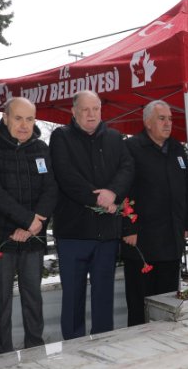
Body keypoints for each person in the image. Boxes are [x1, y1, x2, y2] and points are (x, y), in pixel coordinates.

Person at [49, 90, 134, 339]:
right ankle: (74, 351)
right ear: (73, 112)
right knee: (73, 297)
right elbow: (65, 175)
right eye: (85, 109)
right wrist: (98, 197)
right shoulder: (61, 137)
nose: (91, 114)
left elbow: (127, 168)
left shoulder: (115, 138)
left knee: (103, 297)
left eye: (95, 109)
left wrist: (113, 192)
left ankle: (103, 344)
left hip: (106, 234)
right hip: (74, 234)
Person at [0, 97, 57, 354]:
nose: (24, 125)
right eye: (18, 118)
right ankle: (3, 355)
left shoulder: (41, 148)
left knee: (33, 298)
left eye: (30, 119)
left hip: (33, 237)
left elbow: (52, 188)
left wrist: (36, 222)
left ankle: (36, 351)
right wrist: (26, 220)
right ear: (5, 117)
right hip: (2, 239)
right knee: (0, 303)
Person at [122, 100, 188, 326]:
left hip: (171, 239)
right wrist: (128, 228)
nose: (168, 123)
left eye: (170, 119)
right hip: (142, 241)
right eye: (162, 118)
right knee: (140, 303)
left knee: (168, 301)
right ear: (148, 122)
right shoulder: (132, 148)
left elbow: (187, 189)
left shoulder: (176, 149)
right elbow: (123, 190)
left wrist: (187, 224)